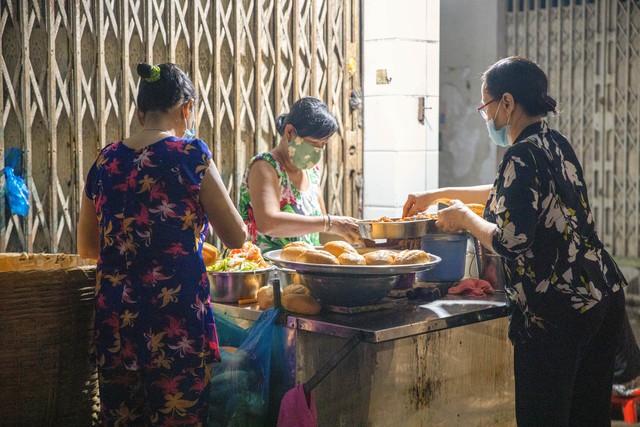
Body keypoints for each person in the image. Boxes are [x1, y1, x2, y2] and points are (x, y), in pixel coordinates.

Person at [403, 56, 627, 426]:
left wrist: (463, 218)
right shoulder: (554, 142)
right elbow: (505, 192)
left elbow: (510, 242)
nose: (485, 116)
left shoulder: (521, 153)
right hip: (600, 297)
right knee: (586, 416)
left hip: (558, 312)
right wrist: (437, 194)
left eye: (485, 106)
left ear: (506, 103)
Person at [77, 62, 247, 426]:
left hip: (116, 321)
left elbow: (87, 249)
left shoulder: (104, 161)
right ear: (187, 108)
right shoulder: (190, 155)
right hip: (176, 320)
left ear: (140, 113)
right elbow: (236, 236)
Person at [238, 96, 360, 252]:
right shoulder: (266, 166)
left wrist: (353, 234)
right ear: (289, 132)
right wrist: (331, 222)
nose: (318, 149)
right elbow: (268, 222)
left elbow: (320, 231)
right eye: (313, 142)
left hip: (304, 271)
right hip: (269, 271)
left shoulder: (312, 172)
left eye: (323, 144)